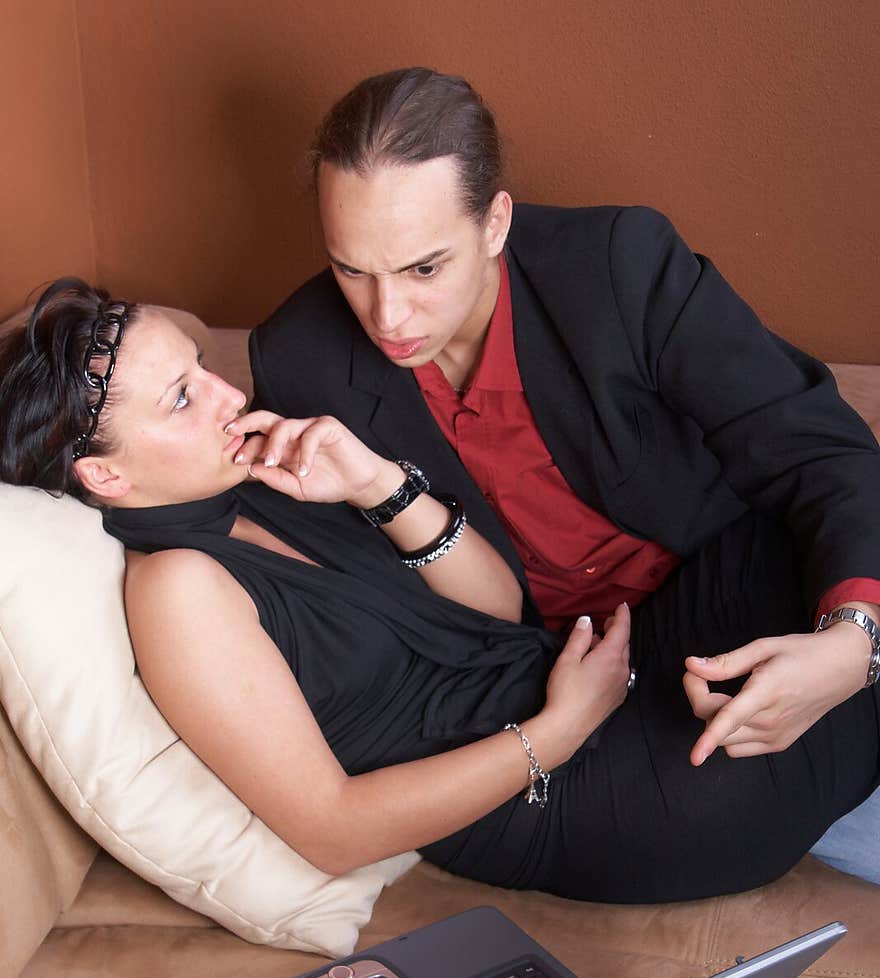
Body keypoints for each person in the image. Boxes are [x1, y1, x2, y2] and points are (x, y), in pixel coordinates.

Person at [1, 278, 878, 907]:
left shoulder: (255, 479)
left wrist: (375, 483)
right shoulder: (177, 592)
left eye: (202, 364)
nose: (230, 394)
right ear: (106, 478)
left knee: (821, 529)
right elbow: (332, 829)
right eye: (185, 396)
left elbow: (497, 611)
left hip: (594, 669)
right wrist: (561, 728)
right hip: (566, 790)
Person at [242, 65, 880, 882]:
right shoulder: (301, 359)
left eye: (424, 268)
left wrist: (850, 643)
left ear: (496, 222)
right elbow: (359, 611)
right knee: (700, 816)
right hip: (525, 664)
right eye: (351, 269)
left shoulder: (620, 265)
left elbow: (818, 448)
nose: (387, 317)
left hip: (725, 580)